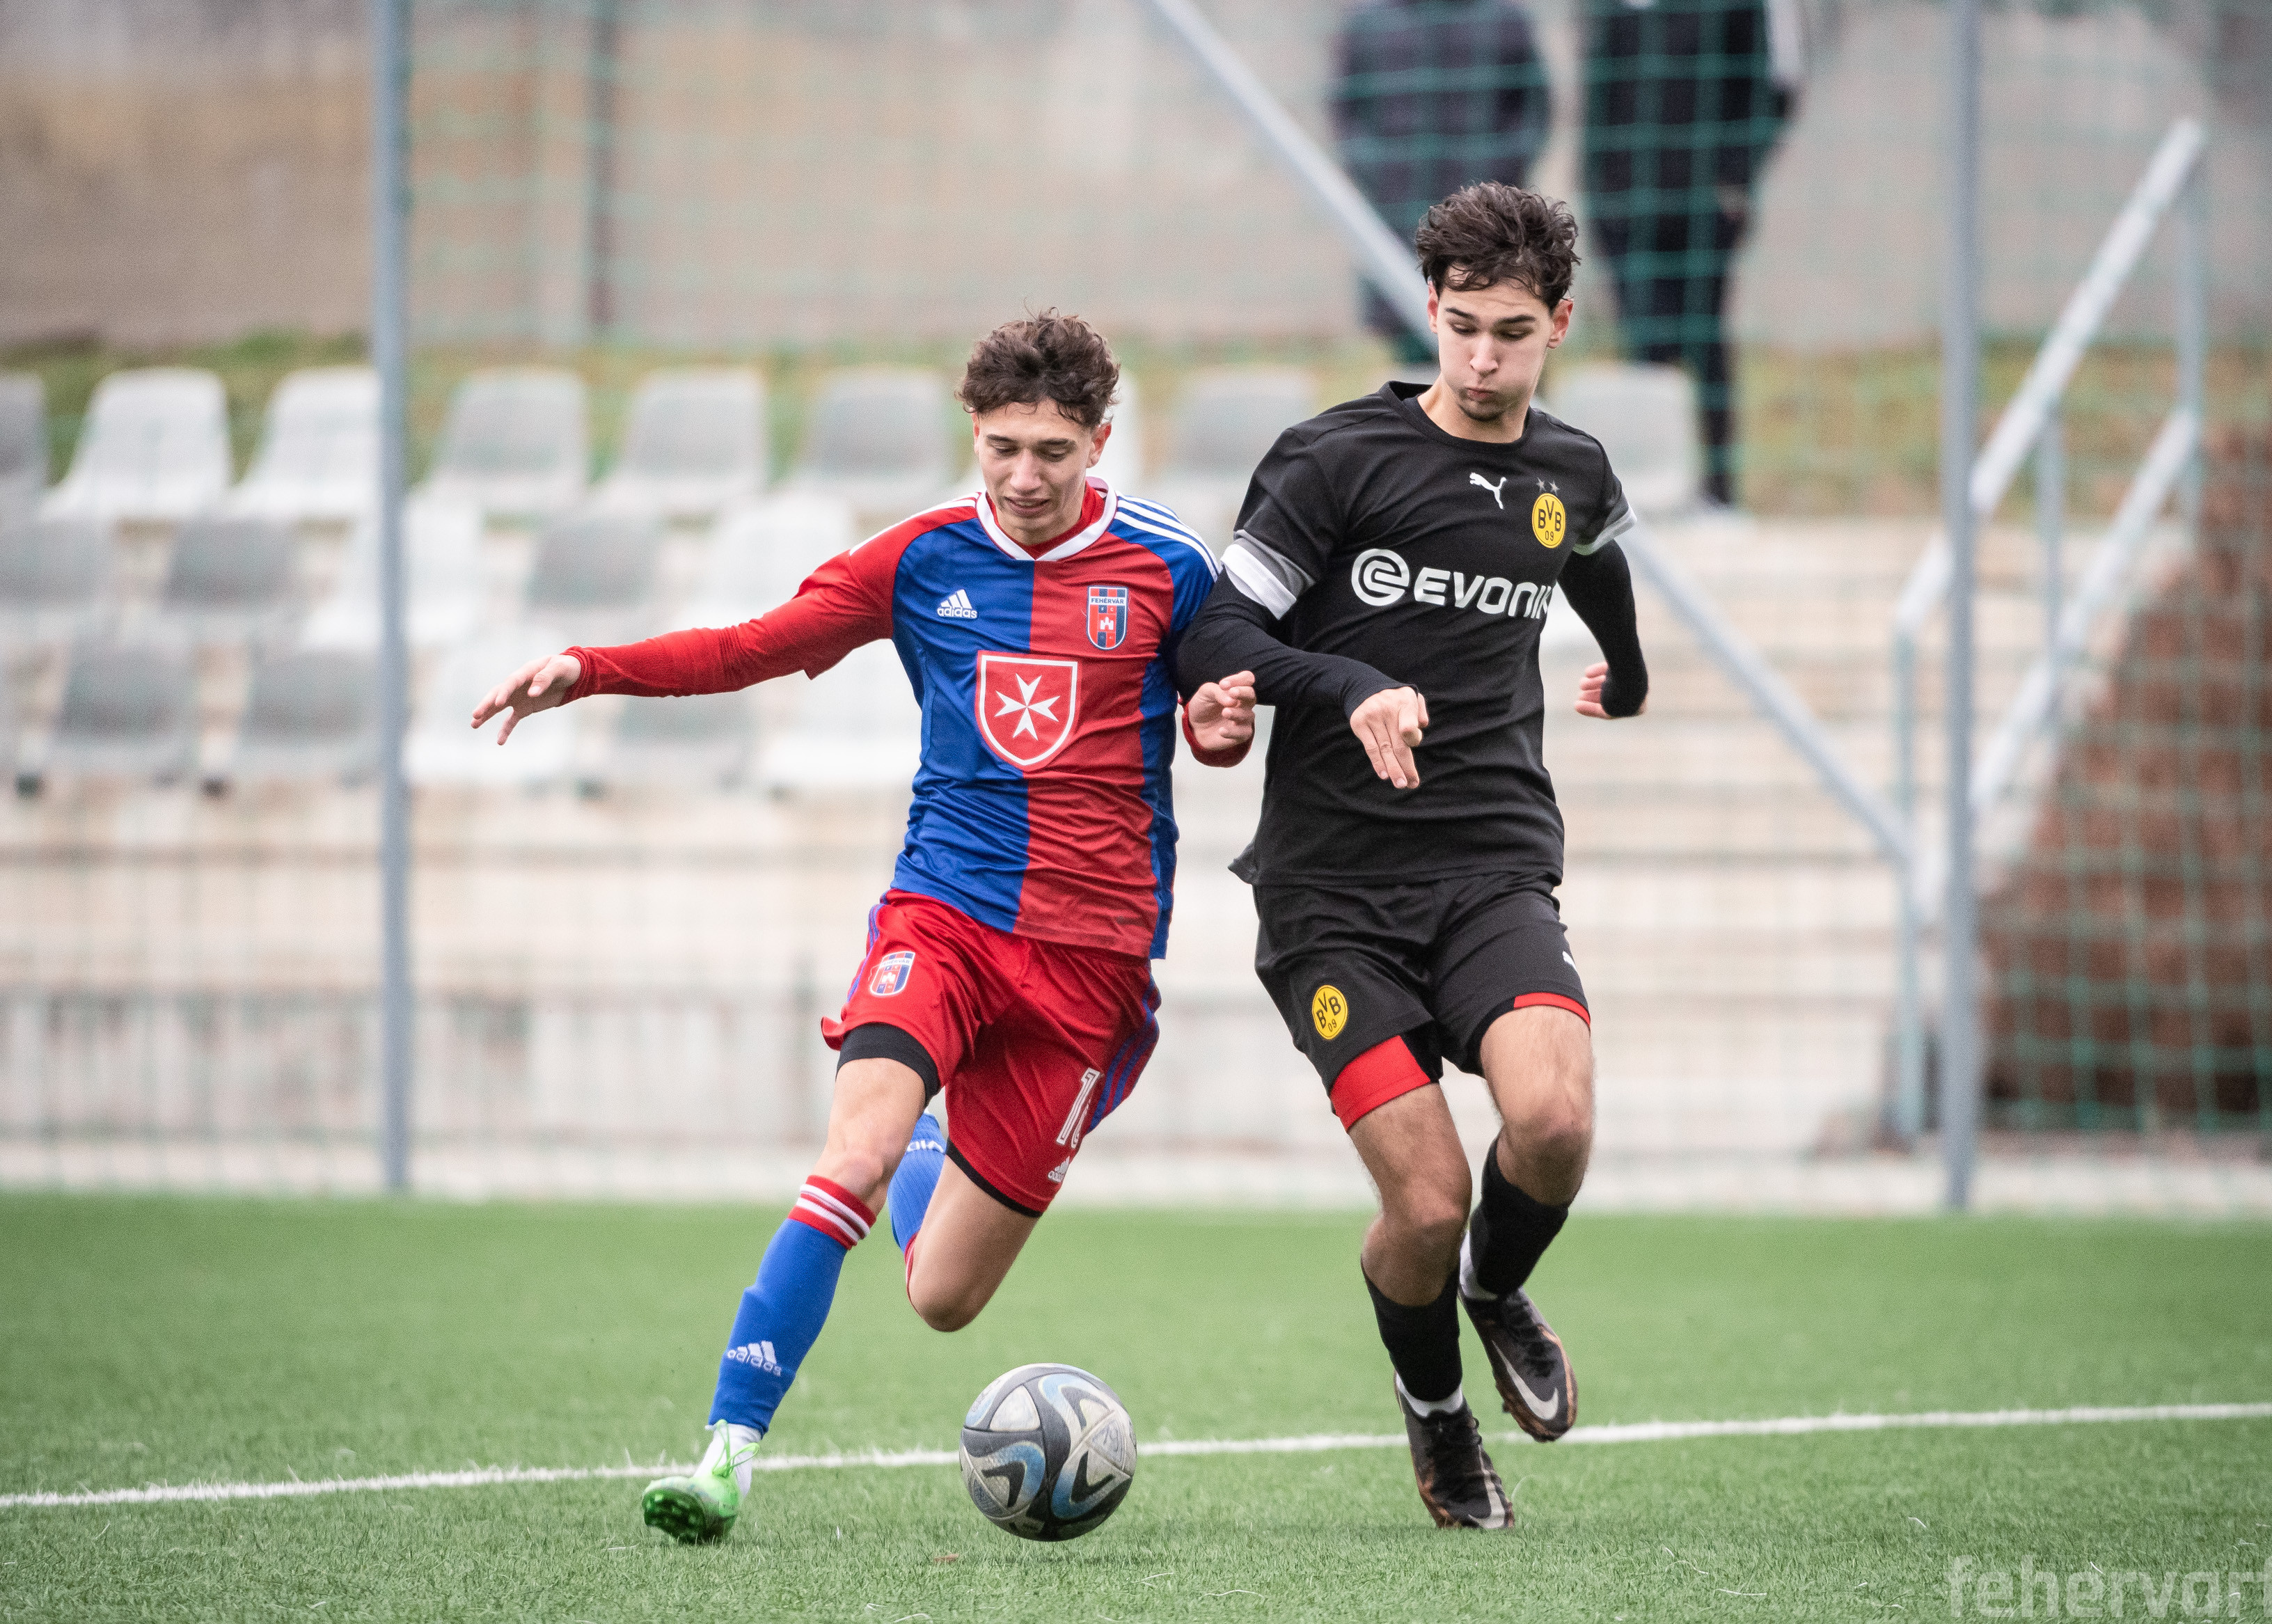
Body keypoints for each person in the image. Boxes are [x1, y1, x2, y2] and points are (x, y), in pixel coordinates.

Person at [471, 313, 1259, 1544]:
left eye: (1053, 451)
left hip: (1090, 965)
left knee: (942, 1296)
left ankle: (934, 1145)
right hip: (942, 918)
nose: (1025, 475)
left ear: (1100, 441)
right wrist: (591, 666)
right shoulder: (918, 557)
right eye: (1002, 446)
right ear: (973, 432)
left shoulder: (1169, 564)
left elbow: (1219, 703)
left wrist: (1218, 729)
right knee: (850, 1158)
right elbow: (748, 648)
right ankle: (726, 1454)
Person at [1176, 182, 1649, 1529]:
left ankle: (1497, 1291)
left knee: (1555, 1121)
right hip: (1330, 895)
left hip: (1494, 864)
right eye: (1462, 327)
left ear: (1560, 323)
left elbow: (1592, 562)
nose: (1484, 359)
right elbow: (1215, 633)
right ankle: (1437, 1411)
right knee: (1427, 1202)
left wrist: (1628, 670)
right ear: (1429, 312)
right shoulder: (1335, 459)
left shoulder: (1572, 468)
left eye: (1513, 332)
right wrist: (1348, 686)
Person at [1580, 0, 1801, 510]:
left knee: (1705, 343)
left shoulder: (1740, 10)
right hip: (1627, 206)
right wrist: (1598, 191)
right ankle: (1650, 492)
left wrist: (1734, 178)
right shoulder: (1614, 12)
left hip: (1705, 209)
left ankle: (1719, 494)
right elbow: (1599, 96)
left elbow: (1775, 89)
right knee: (1645, 347)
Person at [1332, 0, 1551, 366]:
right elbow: (1348, 114)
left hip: (1487, 218)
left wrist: (1500, 176)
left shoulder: (1503, 19)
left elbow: (1532, 110)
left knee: (1498, 328)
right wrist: (1382, 177)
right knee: (1413, 339)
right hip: (1403, 214)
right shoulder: (1370, 24)